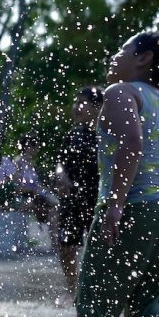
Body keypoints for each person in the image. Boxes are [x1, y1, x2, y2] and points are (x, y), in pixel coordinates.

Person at [45, 31, 159, 317]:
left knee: (94, 288)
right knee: (149, 296)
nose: (114, 55)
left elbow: (131, 145)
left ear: (142, 59)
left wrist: (113, 204)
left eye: (122, 49)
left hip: (136, 205)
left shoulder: (122, 93)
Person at [54, 86, 104, 305]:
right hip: (72, 199)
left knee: (100, 248)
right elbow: (59, 163)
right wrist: (60, 174)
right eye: (75, 103)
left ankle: (97, 291)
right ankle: (72, 289)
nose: (75, 108)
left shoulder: (107, 134)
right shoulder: (73, 134)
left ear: (98, 107)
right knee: (66, 244)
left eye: (81, 103)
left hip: (98, 200)